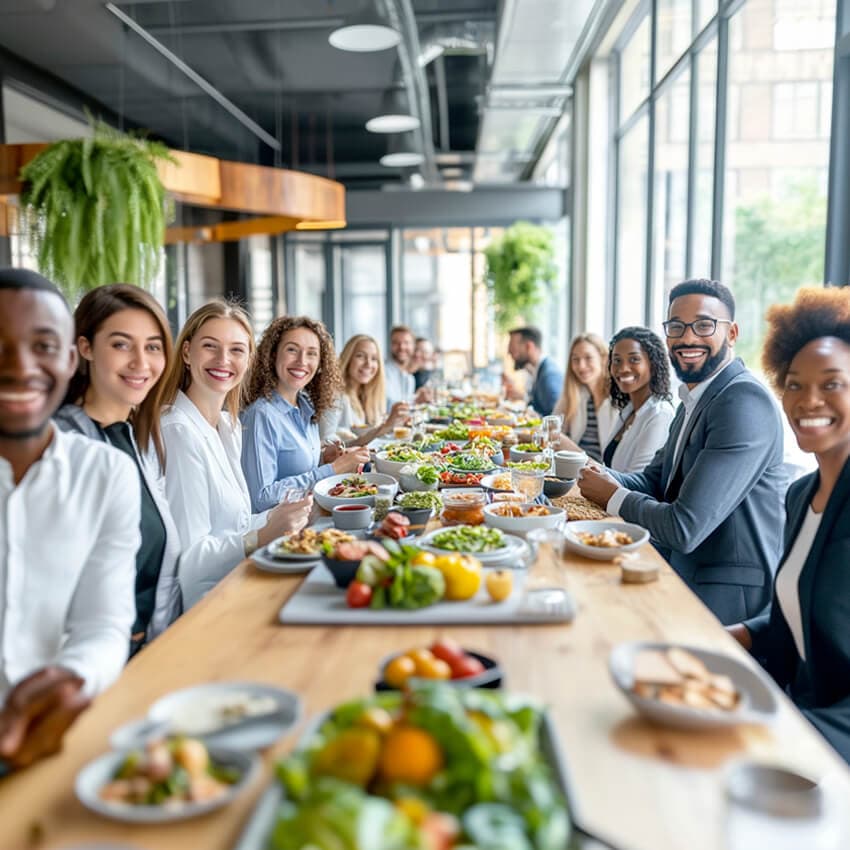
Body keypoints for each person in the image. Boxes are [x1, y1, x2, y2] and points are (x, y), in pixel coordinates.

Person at [579, 279, 786, 625]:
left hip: (727, 602)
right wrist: (592, 472)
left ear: (732, 333)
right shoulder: (693, 398)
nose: (688, 337)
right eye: (676, 326)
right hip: (679, 570)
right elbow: (654, 480)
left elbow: (684, 527)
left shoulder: (741, 401)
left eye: (704, 325)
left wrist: (612, 496)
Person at [0, 269, 139, 769]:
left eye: (42, 345)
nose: (19, 367)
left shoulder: (106, 473)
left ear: (68, 356)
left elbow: (103, 624)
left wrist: (70, 676)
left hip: (57, 739)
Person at [728, 287, 850, 764]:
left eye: (832, 383)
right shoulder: (801, 495)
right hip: (791, 723)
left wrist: (775, 731)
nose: (807, 400)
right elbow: (791, 622)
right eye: (795, 384)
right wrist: (721, 635)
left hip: (824, 749)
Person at [54, 284, 182, 653]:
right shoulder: (62, 444)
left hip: (145, 651)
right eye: (121, 344)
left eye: (153, 346)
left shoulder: (133, 437)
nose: (141, 363)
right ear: (85, 347)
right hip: (87, 664)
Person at [160, 302, 312, 608]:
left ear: (249, 359)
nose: (223, 360)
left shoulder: (227, 426)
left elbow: (235, 523)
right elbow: (189, 562)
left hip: (238, 586)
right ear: (187, 353)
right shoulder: (178, 432)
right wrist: (261, 535)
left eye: (237, 350)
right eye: (210, 347)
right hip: (206, 608)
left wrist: (288, 515)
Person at [241, 316, 370, 513]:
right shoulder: (261, 415)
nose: (302, 361)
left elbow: (291, 468)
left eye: (312, 354)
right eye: (292, 350)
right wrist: (333, 469)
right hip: (278, 534)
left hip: (308, 517)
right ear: (273, 354)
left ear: (320, 363)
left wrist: (323, 458)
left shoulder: (306, 406)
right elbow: (261, 498)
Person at [557, 327, 675, 473]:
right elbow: (610, 469)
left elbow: (638, 482)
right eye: (617, 360)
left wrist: (569, 449)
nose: (623, 368)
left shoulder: (659, 415)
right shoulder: (628, 410)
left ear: (653, 363)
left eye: (634, 359)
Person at [319, 334, 409, 446]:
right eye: (360, 356)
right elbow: (326, 445)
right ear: (348, 359)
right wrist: (386, 426)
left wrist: (392, 424)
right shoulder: (334, 394)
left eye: (374, 359)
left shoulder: (366, 394)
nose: (368, 364)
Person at [552, 333, 615, 459]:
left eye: (588, 358)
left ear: (603, 359)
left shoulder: (617, 399)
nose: (581, 366)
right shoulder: (574, 393)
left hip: (600, 473)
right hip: (571, 469)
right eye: (576, 359)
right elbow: (551, 431)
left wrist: (569, 446)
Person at [504, 325, 563, 419]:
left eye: (512, 348)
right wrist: (524, 397)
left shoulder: (549, 375)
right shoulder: (538, 370)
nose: (509, 352)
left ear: (528, 346)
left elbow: (555, 418)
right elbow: (540, 406)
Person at [384, 325, 431, 407]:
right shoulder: (383, 371)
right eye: (396, 343)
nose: (401, 347)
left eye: (406, 342)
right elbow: (387, 406)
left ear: (413, 346)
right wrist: (416, 400)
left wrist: (417, 398)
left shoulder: (409, 378)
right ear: (390, 345)